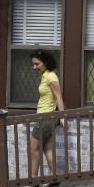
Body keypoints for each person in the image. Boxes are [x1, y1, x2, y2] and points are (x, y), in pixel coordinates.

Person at [28, 49, 65, 178]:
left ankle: (32, 180)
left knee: (33, 148)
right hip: (46, 117)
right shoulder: (45, 76)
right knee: (47, 149)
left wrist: (62, 117)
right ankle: (53, 177)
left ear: (45, 63)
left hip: (46, 117)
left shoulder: (50, 77)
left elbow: (59, 97)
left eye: (37, 64)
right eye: (33, 64)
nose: (34, 67)